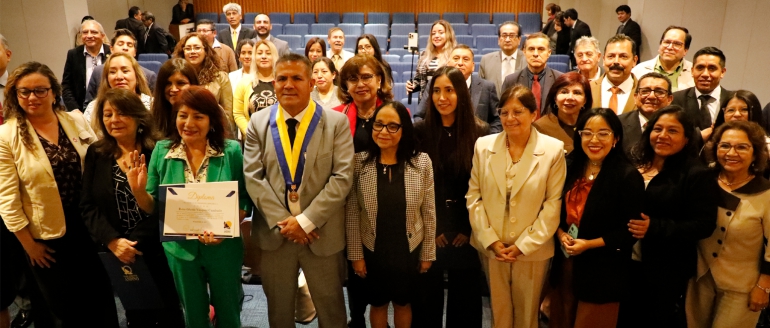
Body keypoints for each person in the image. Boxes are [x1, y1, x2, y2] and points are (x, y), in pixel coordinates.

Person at [0, 61, 119, 327]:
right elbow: (7, 201)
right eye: (24, 91)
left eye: (40, 90)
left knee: (99, 301)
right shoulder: (6, 136)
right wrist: (29, 245)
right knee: (63, 311)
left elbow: (100, 164)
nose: (32, 97)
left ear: (54, 92)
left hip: (89, 227)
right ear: (15, 96)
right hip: (47, 239)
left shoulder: (74, 120)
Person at [243, 53, 354, 327]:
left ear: (311, 82)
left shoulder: (336, 122)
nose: (288, 84)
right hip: (275, 235)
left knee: (332, 313)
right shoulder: (257, 122)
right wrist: (286, 224)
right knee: (279, 314)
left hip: (321, 234)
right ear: (274, 83)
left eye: (297, 78)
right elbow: (253, 177)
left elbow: (342, 178)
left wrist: (305, 221)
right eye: (282, 78)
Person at [132, 86, 249, 328]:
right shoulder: (162, 152)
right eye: (182, 115)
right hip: (180, 250)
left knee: (229, 313)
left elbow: (244, 198)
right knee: (194, 315)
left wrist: (225, 231)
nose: (188, 123)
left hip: (223, 248)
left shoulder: (231, 151)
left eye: (198, 116)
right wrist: (139, 191)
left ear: (211, 121)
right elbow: (152, 207)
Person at [80, 88, 185, 328]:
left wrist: (134, 242)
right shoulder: (96, 153)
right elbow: (87, 205)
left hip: (158, 247)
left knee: (170, 313)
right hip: (117, 250)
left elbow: (170, 202)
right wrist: (112, 241)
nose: (114, 120)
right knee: (137, 314)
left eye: (121, 113)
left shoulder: (160, 149)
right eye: (107, 115)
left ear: (138, 116)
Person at [467, 85, 567, 328]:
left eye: (518, 111)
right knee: (498, 312)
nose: (509, 118)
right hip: (492, 246)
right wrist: (490, 239)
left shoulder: (553, 150)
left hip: (532, 249)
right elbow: (474, 197)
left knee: (527, 315)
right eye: (504, 112)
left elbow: (552, 205)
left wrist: (524, 245)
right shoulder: (483, 145)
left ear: (533, 114)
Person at [617, 106, 718, 328]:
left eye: (672, 131)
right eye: (657, 129)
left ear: (686, 139)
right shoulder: (634, 164)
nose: (663, 136)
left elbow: (704, 224)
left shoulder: (696, 174)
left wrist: (655, 227)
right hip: (625, 263)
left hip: (665, 269)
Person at [548, 108, 644, 328]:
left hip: (603, 271)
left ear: (616, 138)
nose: (594, 140)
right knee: (561, 319)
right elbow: (552, 209)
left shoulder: (627, 176)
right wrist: (560, 233)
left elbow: (629, 232)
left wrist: (588, 245)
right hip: (565, 263)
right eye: (587, 133)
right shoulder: (570, 166)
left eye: (603, 133)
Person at [346, 101, 436, 328]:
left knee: (403, 304)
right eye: (379, 125)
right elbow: (353, 214)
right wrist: (356, 256)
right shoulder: (359, 163)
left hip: (408, 249)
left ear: (404, 129)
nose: (384, 132)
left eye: (392, 126)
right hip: (373, 248)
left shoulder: (422, 162)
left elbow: (429, 212)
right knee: (377, 304)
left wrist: (427, 254)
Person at [412, 66, 488, 327]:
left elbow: (482, 188)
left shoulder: (481, 133)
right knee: (426, 303)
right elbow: (417, 186)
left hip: (466, 231)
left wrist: (467, 229)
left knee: (465, 304)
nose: (442, 97)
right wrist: (435, 228)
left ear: (461, 94)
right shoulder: (420, 132)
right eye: (436, 91)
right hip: (431, 230)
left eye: (449, 90)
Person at [686, 121, 770, 328]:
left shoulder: (766, 193)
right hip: (700, 281)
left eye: (742, 147)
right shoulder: (703, 179)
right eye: (725, 146)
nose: (731, 153)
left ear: (755, 152)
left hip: (743, 287)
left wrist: (765, 286)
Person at [417, 45, 500, 132]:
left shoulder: (487, 87)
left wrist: (487, 139)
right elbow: (419, 116)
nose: (460, 63)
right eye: (456, 58)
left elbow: (497, 119)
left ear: (473, 66)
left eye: (465, 59)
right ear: (448, 64)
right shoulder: (434, 84)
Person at [173, 33, 234, 136]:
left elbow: (227, 115)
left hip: (213, 133)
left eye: (197, 48)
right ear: (183, 52)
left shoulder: (220, 77)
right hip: (181, 132)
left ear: (205, 51)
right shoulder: (176, 78)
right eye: (188, 48)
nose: (192, 51)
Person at [333, 54, 394, 152]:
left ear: (379, 80)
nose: (360, 84)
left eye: (366, 77)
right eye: (353, 79)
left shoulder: (396, 115)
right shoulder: (335, 116)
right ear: (346, 85)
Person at [85, 29, 158, 107]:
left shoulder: (149, 75)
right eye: (120, 44)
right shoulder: (98, 71)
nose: (125, 48)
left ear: (135, 52)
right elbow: (88, 102)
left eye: (129, 45)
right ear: (111, 49)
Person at [501, 32, 563, 117]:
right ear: (524, 51)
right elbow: (504, 112)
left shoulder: (560, 80)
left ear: (549, 53)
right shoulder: (511, 80)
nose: (536, 54)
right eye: (531, 49)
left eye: (541, 49)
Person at [672, 47, 733, 131]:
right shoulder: (676, 99)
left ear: (722, 72)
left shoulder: (733, 100)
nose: (705, 74)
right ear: (692, 71)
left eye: (712, 68)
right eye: (700, 68)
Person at [83, 53, 153, 125]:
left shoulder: (153, 105)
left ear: (137, 76)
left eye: (125, 71)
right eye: (112, 72)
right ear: (107, 79)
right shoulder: (93, 108)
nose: (119, 77)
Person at [534, 71, 593, 154]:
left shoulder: (590, 125)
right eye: (564, 92)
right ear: (555, 98)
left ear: (585, 100)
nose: (570, 97)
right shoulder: (540, 128)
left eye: (577, 93)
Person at [618, 73, 674, 154]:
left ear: (669, 99)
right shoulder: (618, 123)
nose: (651, 96)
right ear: (635, 97)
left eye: (659, 92)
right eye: (645, 91)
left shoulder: (679, 126)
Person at [62, 19, 111, 111]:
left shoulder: (112, 53)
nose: (89, 36)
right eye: (85, 32)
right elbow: (66, 86)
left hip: (109, 107)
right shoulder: (73, 55)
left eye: (94, 32)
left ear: (103, 36)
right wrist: (75, 109)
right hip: (81, 110)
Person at [233, 40, 278, 137]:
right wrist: (250, 133)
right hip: (253, 139)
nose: (264, 56)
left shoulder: (282, 82)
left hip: (280, 137)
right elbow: (238, 113)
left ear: (274, 56)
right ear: (254, 57)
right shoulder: (244, 83)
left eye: (268, 53)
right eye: (259, 53)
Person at [405, 20, 457, 104]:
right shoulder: (423, 55)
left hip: (446, 102)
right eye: (433, 33)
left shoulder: (454, 54)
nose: (436, 36)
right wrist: (412, 85)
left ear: (448, 35)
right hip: (426, 103)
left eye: (441, 32)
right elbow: (419, 80)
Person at [631, 26, 694, 92]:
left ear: (685, 50)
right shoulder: (639, 70)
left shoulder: (694, 72)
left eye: (677, 44)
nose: (670, 47)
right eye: (667, 42)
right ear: (660, 44)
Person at [590, 34, 638, 114]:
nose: (616, 61)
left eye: (623, 56)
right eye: (611, 56)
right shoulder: (589, 89)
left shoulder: (644, 93)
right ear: (604, 59)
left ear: (634, 61)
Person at [151, 58, 199, 137]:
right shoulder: (152, 116)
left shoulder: (208, 112)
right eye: (168, 84)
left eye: (181, 83)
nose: (173, 89)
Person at [480, 21, 527, 96]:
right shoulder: (486, 60)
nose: (507, 40)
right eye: (504, 36)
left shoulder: (527, 60)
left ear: (519, 40)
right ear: (499, 39)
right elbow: (481, 90)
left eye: (512, 36)